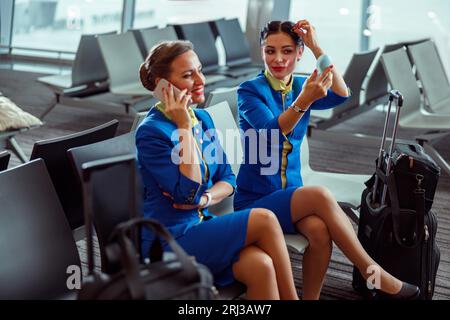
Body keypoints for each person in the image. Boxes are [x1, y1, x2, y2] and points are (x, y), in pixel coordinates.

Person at [234, 20, 420, 300]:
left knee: (320, 233)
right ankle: (372, 271)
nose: (278, 59)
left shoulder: (299, 84)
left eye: (287, 51)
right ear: (262, 52)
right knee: (320, 195)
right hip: (256, 200)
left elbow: (342, 92)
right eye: (270, 51)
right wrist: (304, 101)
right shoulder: (249, 91)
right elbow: (271, 132)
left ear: (298, 54)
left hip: (290, 196)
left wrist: (315, 46)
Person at [135, 40, 299, 299]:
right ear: (162, 85)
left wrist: (206, 198)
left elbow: (228, 178)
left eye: (199, 70)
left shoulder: (202, 118)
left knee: (261, 266)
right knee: (265, 219)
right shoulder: (151, 132)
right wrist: (183, 128)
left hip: (200, 224)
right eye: (188, 75)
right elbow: (186, 194)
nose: (201, 79)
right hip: (169, 240)